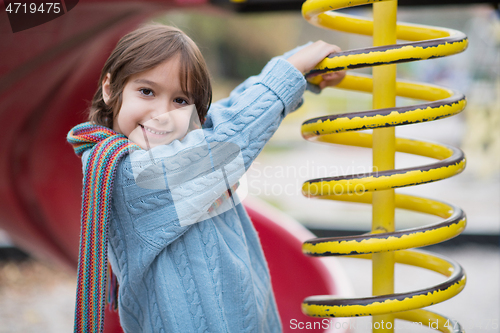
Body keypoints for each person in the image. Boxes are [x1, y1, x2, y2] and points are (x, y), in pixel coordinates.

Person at [67, 23, 345, 333]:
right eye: (147, 91)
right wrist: (291, 70)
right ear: (109, 88)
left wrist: (303, 72)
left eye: (181, 100)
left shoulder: (181, 143)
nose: (163, 113)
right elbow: (232, 136)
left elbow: (225, 115)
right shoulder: (130, 177)